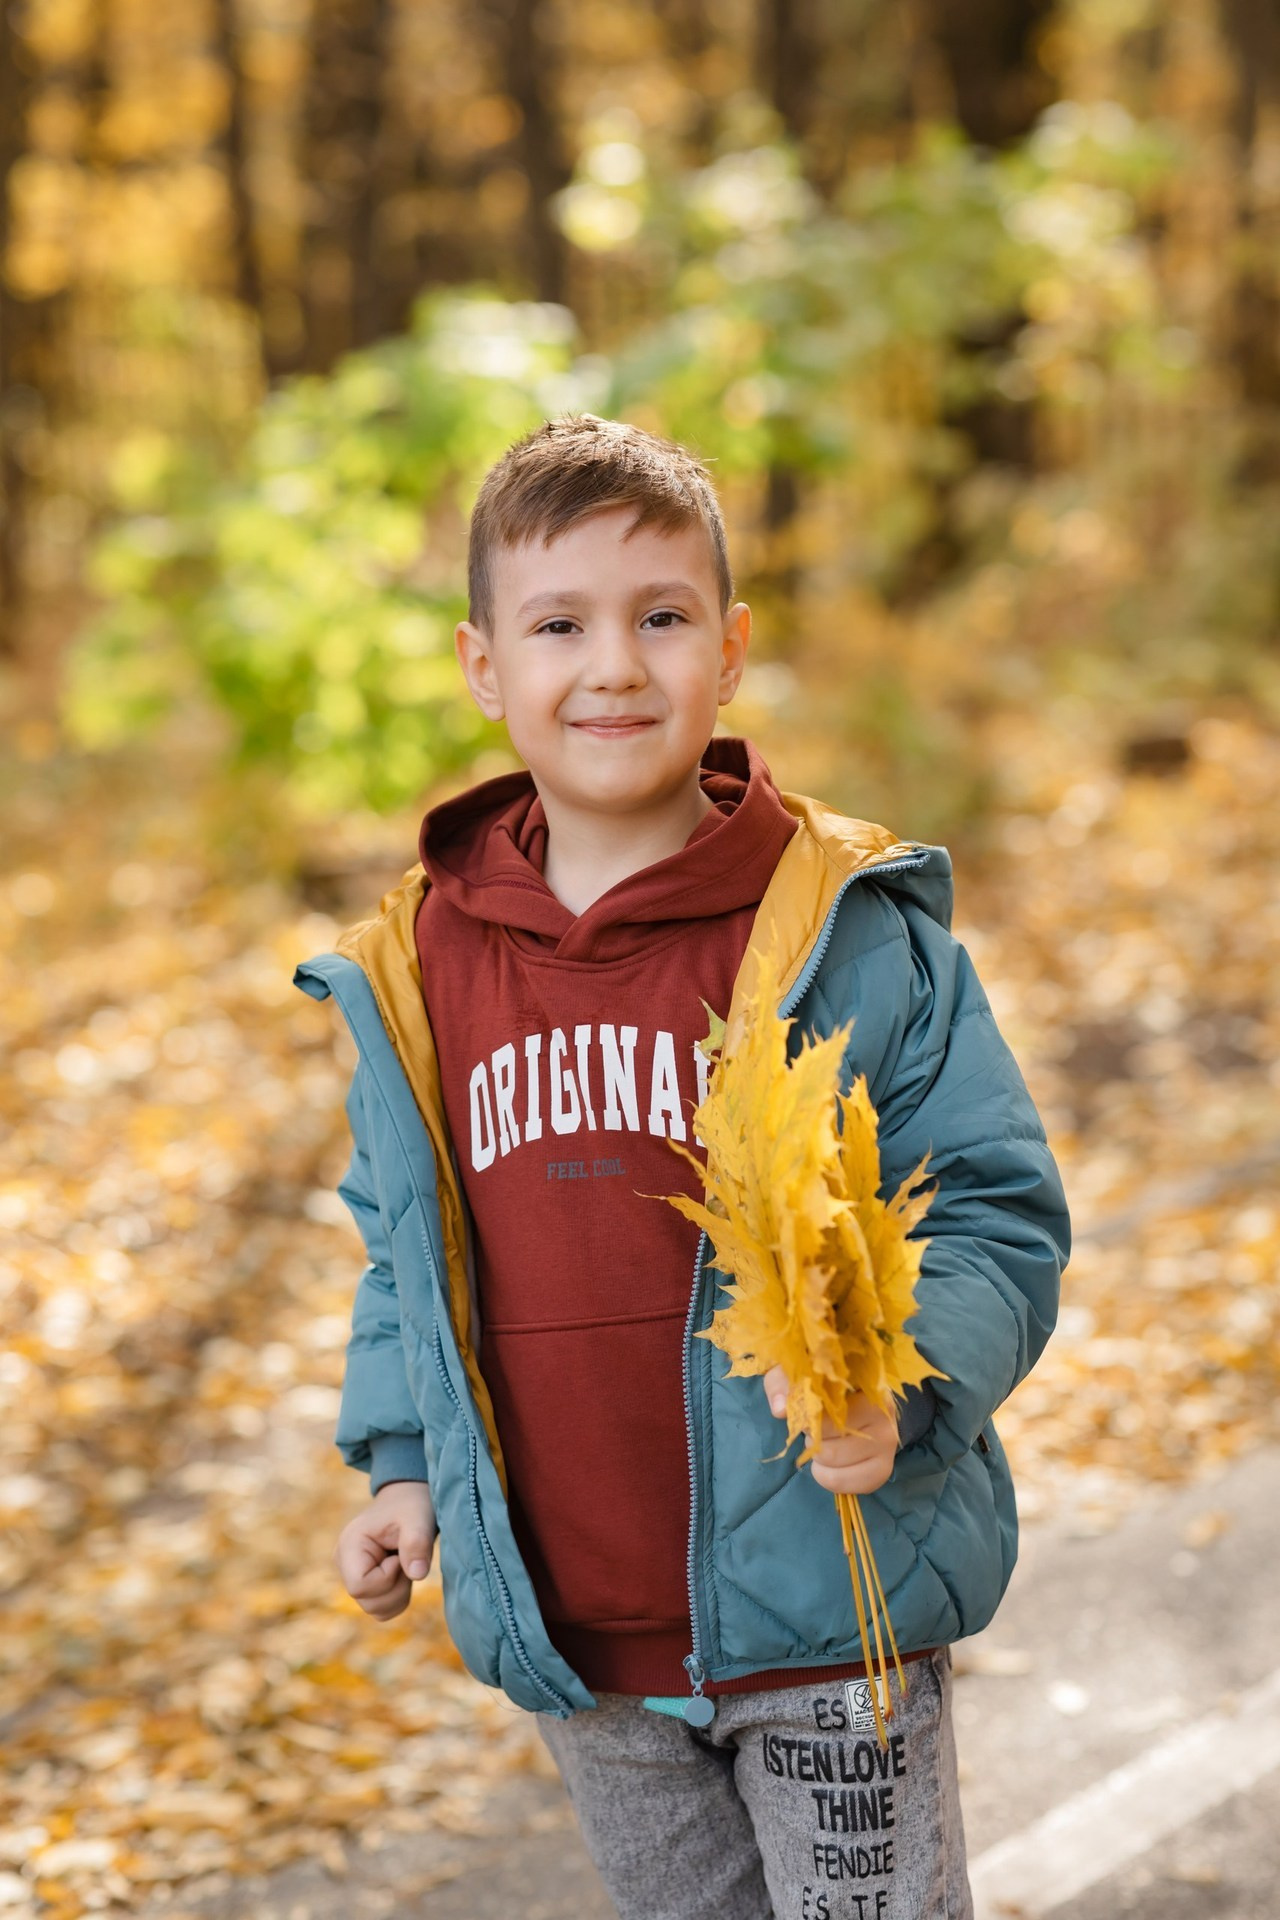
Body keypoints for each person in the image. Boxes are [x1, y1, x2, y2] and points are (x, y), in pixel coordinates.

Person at [295, 413, 1070, 1920]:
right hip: (580, 1635)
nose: (614, 666)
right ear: (482, 666)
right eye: (560, 624)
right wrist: (404, 1469)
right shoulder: (425, 963)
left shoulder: (846, 928)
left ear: (730, 649)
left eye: (661, 617)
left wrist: (903, 1388)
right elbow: (409, 1252)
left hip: (834, 1603)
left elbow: (993, 1206)